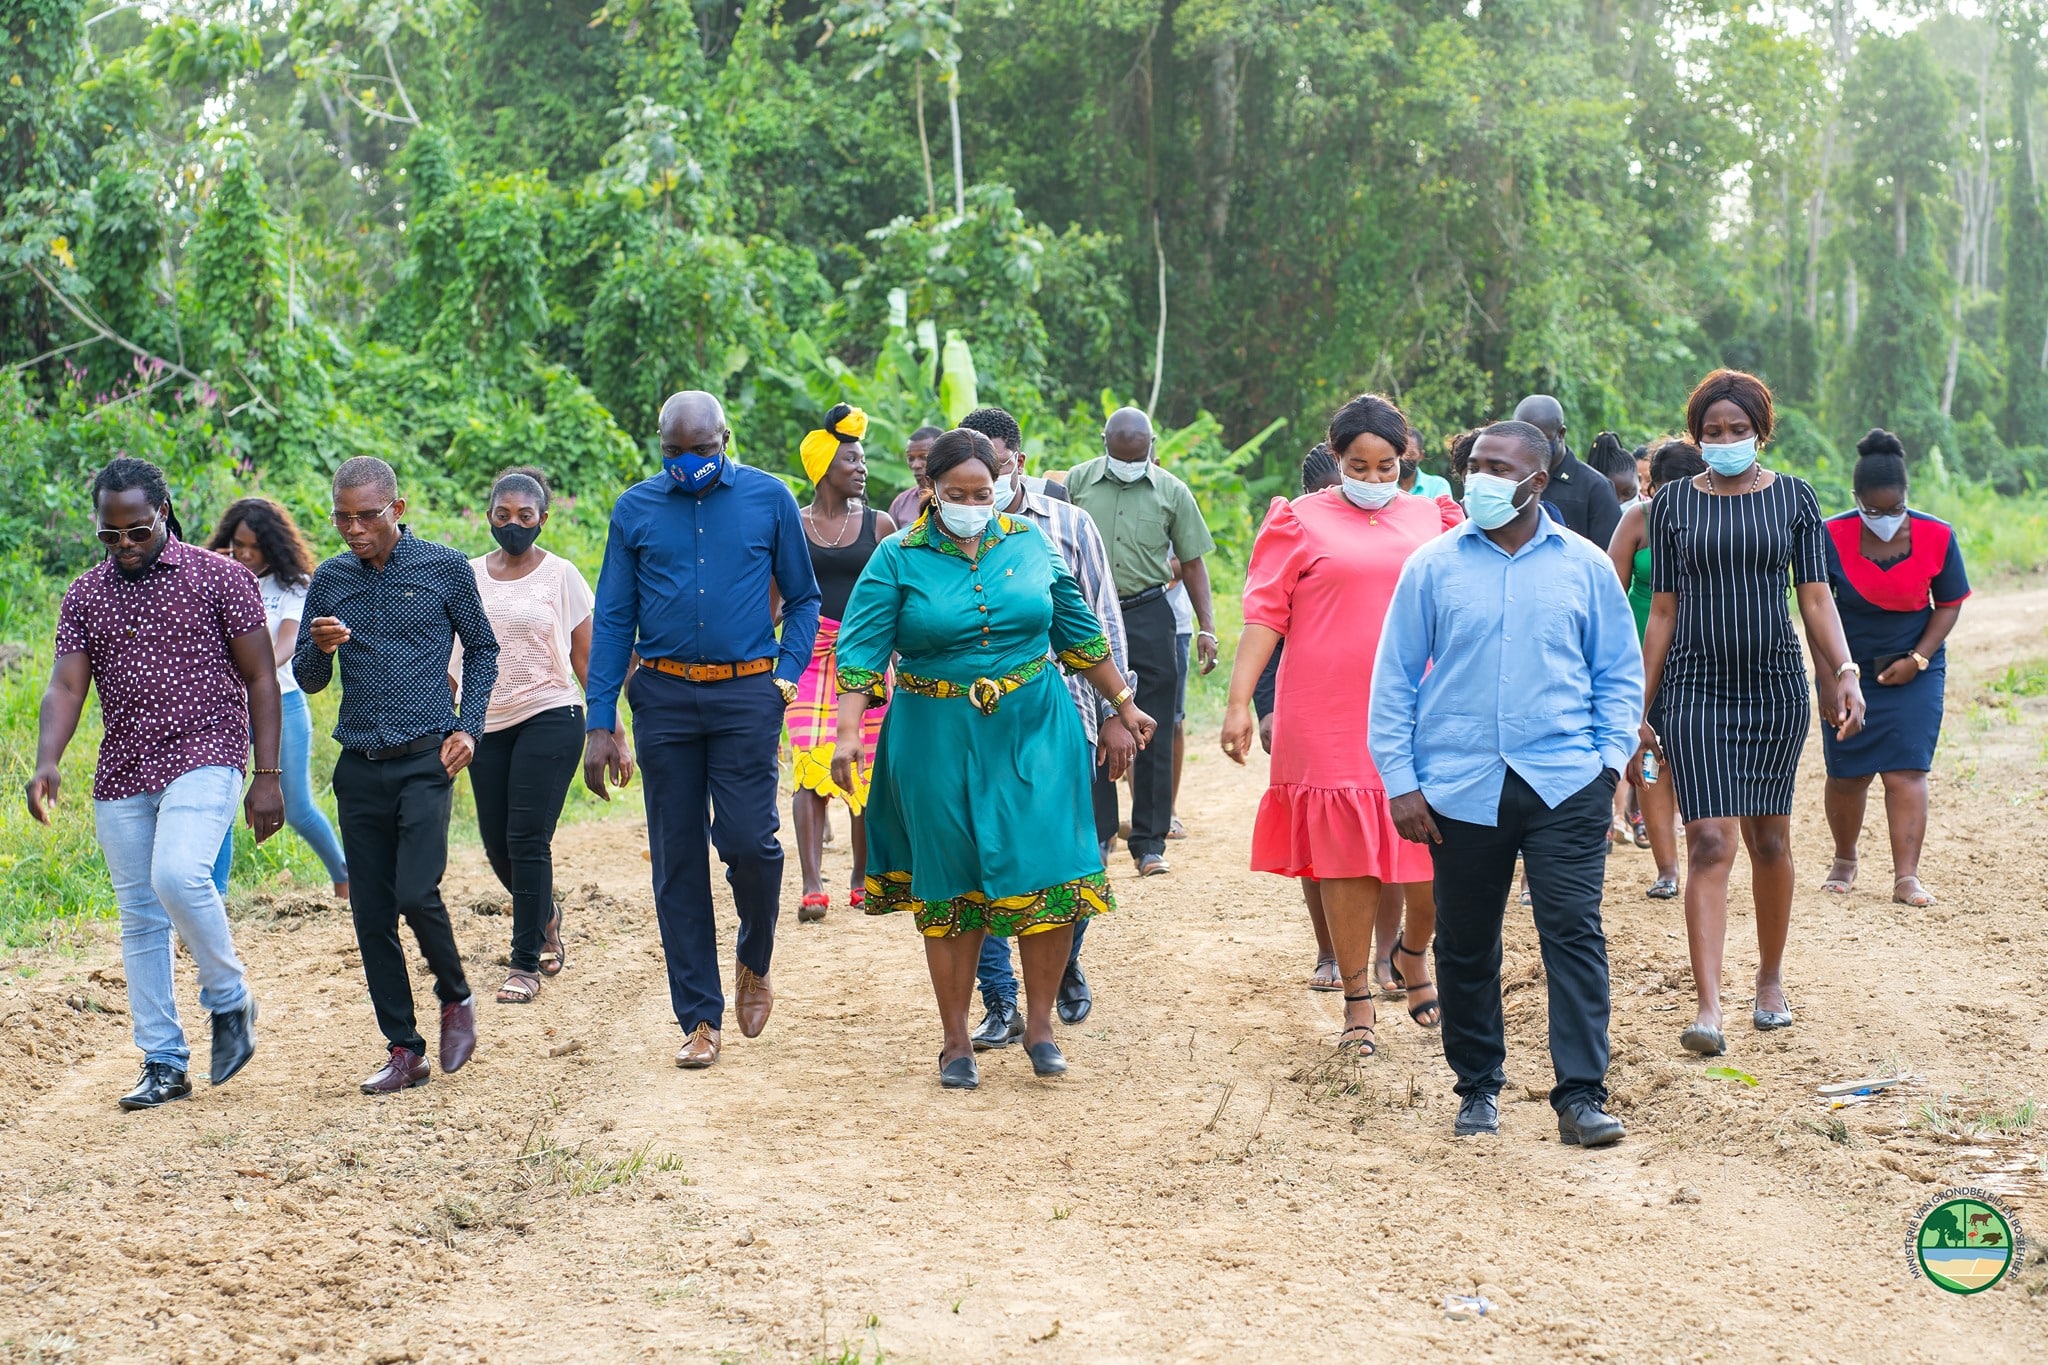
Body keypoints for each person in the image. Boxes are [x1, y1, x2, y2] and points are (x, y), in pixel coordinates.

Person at [829, 429, 1156, 1088]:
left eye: (985, 492)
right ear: (930, 491)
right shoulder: (897, 556)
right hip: (933, 734)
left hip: (1036, 726)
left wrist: (1123, 701)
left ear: (1002, 485)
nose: (975, 503)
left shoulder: (1030, 543)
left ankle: (1040, 1026)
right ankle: (956, 1041)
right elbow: (861, 650)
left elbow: (1077, 629)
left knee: (1052, 871)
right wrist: (845, 733)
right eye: (958, 493)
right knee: (953, 881)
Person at [1372, 421, 1644, 1147]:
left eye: (1499, 466)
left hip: (1564, 782)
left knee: (1573, 935)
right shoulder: (1432, 566)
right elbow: (1394, 680)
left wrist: (1609, 766)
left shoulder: (1585, 566)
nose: (1479, 478)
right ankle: (1478, 1087)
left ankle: (1581, 1095)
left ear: (1539, 479)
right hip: (1459, 786)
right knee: (1466, 942)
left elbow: (1619, 673)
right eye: (1475, 465)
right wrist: (1401, 781)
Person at [28, 458, 278, 1110]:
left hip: (209, 750)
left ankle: (229, 998)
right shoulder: (86, 595)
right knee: (140, 919)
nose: (126, 547)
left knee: (177, 875)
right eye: (111, 537)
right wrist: (47, 757)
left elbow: (260, 678)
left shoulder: (220, 578)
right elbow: (66, 683)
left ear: (163, 511)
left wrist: (268, 777)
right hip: (125, 767)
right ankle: (163, 1060)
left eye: (137, 531)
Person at [583, 391, 821, 1071]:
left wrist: (787, 674)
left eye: (703, 451)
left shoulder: (768, 498)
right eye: (675, 453)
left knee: (751, 840)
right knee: (676, 856)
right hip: (662, 695)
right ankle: (699, 1017)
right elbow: (613, 619)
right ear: (660, 445)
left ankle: (755, 955)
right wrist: (601, 719)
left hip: (748, 691)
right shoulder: (635, 509)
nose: (690, 463)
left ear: (726, 439)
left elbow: (803, 597)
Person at [1221, 392, 1462, 1053]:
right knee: (1347, 859)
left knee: (1434, 853)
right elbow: (1266, 615)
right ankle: (1358, 999)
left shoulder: (1435, 519)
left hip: (1421, 709)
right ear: (1337, 458)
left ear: (1405, 461)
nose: (1375, 480)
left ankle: (1414, 952)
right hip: (1325, 711)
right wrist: (1240, 701)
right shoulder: (1297, 520)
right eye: (1359, 466)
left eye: (1387, 467)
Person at [1635, 370, 1865, 1058]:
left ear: (1761, 432)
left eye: (1738, 430)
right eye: (1713, 431)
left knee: (1770, 840)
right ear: (1695, 435)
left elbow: (1816, 599)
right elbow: (1663, 611)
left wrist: (1844, 672)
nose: (1726, 441)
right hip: (1696, 687)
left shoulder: (1795, 498)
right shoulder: (1672, 503)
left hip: (1773, 688)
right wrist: (1636, 707)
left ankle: (1769, 979)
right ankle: (1708, 1006)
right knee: (1709, 839)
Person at [297, 457, 498, 1094]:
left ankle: (455, 995)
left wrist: (470, 726)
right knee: (371, 914)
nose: (352, 528)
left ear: (397, 510)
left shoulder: (443, 567)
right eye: (341, 517)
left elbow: (485, 647)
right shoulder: (329, 580)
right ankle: (404, 1050)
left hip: (425, 758)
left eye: (365, 515)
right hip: (359, 766)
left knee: (415, 891)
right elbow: (307, 679)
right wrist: (319, 646)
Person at [970, 430, 1135, 1048]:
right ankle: (999, 1000)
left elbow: (1099, 615)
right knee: (978, 857)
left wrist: (1119, 712)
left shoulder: (1068, 524)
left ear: (1017, 462)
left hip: (1063, 716)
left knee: (1072, 853)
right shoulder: (928, 540)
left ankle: (1059, 959)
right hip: (972, 729)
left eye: (996, 464)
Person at [456, 467, 626, 1007]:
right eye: (503, 515)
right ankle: (546, 914)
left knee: (528, 838)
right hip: (484, 721)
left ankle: (524, 962)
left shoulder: (562, 576)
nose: (513, 524)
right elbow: (451, 657)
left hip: (550, 711)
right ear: (488, 517)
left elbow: (587, 659)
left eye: (524, 516)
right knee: (496, 843)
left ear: (542, 520)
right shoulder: (466, 575)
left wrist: (611, 725)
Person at [1818, 429, 1970, 908]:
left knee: (1907, 771)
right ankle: (1845, 858)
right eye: (1873, 510)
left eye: (1894, 508)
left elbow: (1947, 603)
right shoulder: (1829, 535)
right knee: (1848, 774)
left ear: (1907, 496)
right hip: (1849, 668)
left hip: (1914, 671)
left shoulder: (1937, 535)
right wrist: (1830, 680)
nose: (1884, 518)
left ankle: (1907, 877)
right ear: (1856, 499)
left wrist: (1918, 659)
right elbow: (1816, 608)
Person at [1067, 407, 1218, 876]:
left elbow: (1192, 563)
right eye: (1120, 456)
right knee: (1089, 719)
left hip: (1148, 613)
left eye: (1138, 456)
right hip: (1087, 613)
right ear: (1104, 443)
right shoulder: (1076, 483)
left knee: (1149, 724)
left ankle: (1150, 842)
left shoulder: (1172, 491)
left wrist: (1207, 627)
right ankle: (1098, 834)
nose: (1129, 465)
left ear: (1152, 445)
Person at [205, 498, 350, 900]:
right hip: (227, 707)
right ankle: (212, 900)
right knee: (220, 807)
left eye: (255, 546)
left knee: (298, 807)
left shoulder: (295, 587)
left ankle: (344, 876)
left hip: (281, 702)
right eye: (238, 544)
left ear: (274, 546)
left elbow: (287, 643)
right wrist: (211, 566)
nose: (246, 553)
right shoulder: (221, 579)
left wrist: (254, 669)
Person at [789, 404, 897, 921]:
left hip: (867, 661)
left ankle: (862, 877)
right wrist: (769, 663)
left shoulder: (878, 523)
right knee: (811, 767)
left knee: (866, 770)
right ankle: (812, 885)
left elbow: (899, 595)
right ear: (824, 467)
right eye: (852, 460)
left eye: (863, 460)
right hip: (808, 659)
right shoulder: (793, 522)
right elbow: (776, 593)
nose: (862, 468)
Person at [1253, 443, 1343, 991]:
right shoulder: (1296, 529)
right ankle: (1328, 951)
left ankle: (1390, 950)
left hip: (1377, 705)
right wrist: (1264, 707)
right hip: (1309, 703)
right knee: (1318, 838)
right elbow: (1269, 624)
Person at [1606, 438, 1705, 899]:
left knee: (1701, 761)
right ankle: (1667, 869)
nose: (1658, 497)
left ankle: (1708, 857)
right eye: (1653, 487)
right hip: (1642, 663)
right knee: (1648, 761)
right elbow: (1608, 595)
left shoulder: (1717, 522)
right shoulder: (1637, 521)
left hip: (1706, 661)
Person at [1513, 394, 1622, 548]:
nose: (1530, 446)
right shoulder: (1510, 480)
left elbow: (1608, 559)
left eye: (1539, 438)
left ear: (1561, 434)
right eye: (1522, 437)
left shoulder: (1595, 487)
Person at [961, 405, 1069, 503]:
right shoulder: (950, 509)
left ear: (1019, 463)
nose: (986, 477)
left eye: (997, 466)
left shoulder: (1050, 496)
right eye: (970, 467)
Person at [887, 425, 944, 528]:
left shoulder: (957, 499)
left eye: (924, 457)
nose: (916, 465)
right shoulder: (901, 503)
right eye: (910, 458)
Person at [1584, 431, 1640, 508]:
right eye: (1611, 496)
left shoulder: (1652, 513)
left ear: (1639, 481)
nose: (1620, 502)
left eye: (1627, 493)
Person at [1400, 428, 1454, 500]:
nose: (1404, 458)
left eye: (1411, 454)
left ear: (1421, 456)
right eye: (1400, 453)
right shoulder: (1385, 487)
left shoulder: (1438, 485)